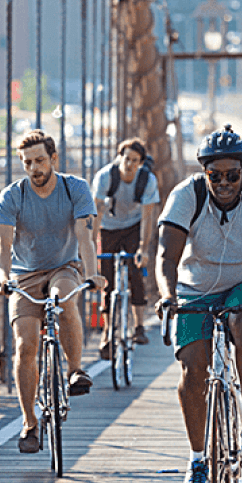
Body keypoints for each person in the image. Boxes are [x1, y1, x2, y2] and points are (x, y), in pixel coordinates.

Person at [155, 125, 242, 483]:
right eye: (215, 175)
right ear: (204, 173)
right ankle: (198, 460)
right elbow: (166, 256)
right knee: (193, 368)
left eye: (233, 174)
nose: (224, 183)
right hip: (196, 285)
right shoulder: (186, 195)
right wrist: (166, 295)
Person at [0, 130, 107, 454]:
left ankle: (74, 370)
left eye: (40, 160)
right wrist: (3, 277)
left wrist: (94, 273)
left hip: (64, 266)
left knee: (63, 299)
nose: (34, 168)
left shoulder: (75, 189)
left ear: (54, 159)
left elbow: (84, 237)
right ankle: (30, 423)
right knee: (24, 344)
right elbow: (3, 245)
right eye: (27, 162)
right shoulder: (13, 195)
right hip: (24, 273)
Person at [91, 137, 160, 356]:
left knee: (135, 270)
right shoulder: (105, 177)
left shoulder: (147, 181)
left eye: (134, 161)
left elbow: (148, 217)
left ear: (141, 163)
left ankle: (138, 326)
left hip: (133, 226)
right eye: (126, 158)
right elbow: (97, 211)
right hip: (109, 227)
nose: (129, 164)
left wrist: (143, 247)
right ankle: (107, 334)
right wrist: (92, 244)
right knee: (107, 281)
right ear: (119, 157)